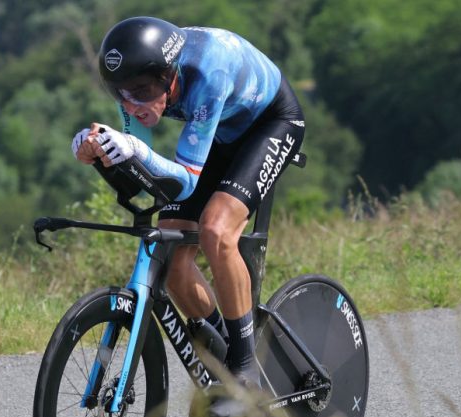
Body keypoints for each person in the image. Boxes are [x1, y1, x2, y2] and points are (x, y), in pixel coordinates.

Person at [71, 17, 305, 388]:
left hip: (271, 124)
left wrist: (131, 147)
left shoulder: (208, 74)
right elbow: (136, 147)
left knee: (216, 230)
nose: (131, 105)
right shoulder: (144, 83)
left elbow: (184, 182)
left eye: (141, 91)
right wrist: (95, 145)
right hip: (221, 132)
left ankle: (245, 368)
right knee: (172, 262)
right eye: (121, 95)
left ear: (170, 74)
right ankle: (225, 351)